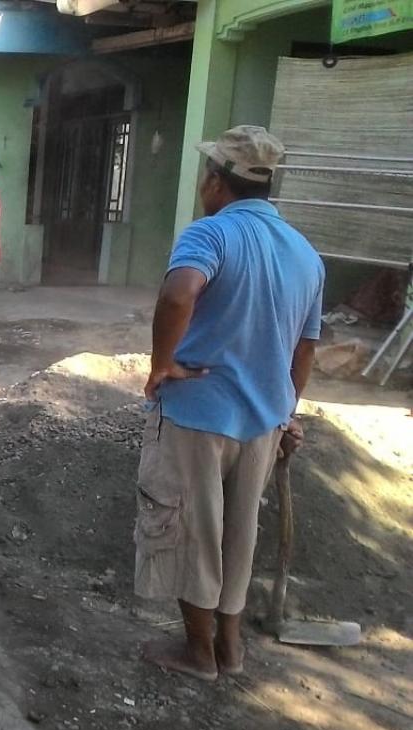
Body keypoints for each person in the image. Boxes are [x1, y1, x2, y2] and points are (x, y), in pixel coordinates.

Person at [137, 125, 323, 682]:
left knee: (194, 532)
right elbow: (306, 346)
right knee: (241, 535)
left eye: (206, 174)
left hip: (198, 413)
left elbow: (178, 293)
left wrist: (161, 363)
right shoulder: (306, 254)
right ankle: (231, 649)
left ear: (217, 181)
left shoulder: (210, 234)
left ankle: (198, 653)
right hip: (262, 422)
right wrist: (287, 410)